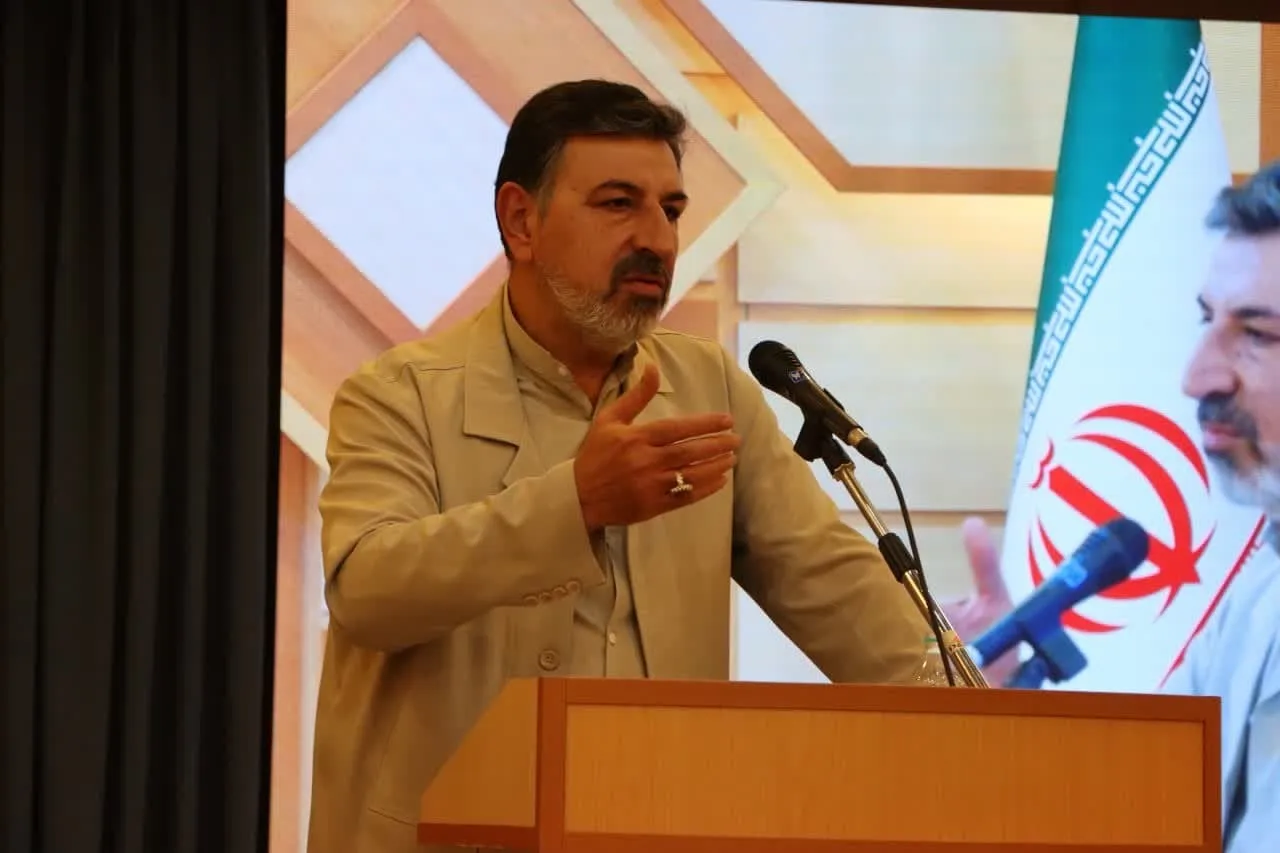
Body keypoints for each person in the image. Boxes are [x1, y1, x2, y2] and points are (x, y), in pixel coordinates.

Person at [305, 79, 929, 853]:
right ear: (521, 220)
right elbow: (367, 592)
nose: (658, 239)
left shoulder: (708, 388)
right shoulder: (400, 393)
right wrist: (575, 504)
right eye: (618, 203)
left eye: (671, 209)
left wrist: (986, 722)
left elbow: (835, 587)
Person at [943, 162, 1280, 852]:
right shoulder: (1260, 593)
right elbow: (1146, 803)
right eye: (1206, 320)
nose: (1197, 377)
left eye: (1258, 333)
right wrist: (1008, 713)